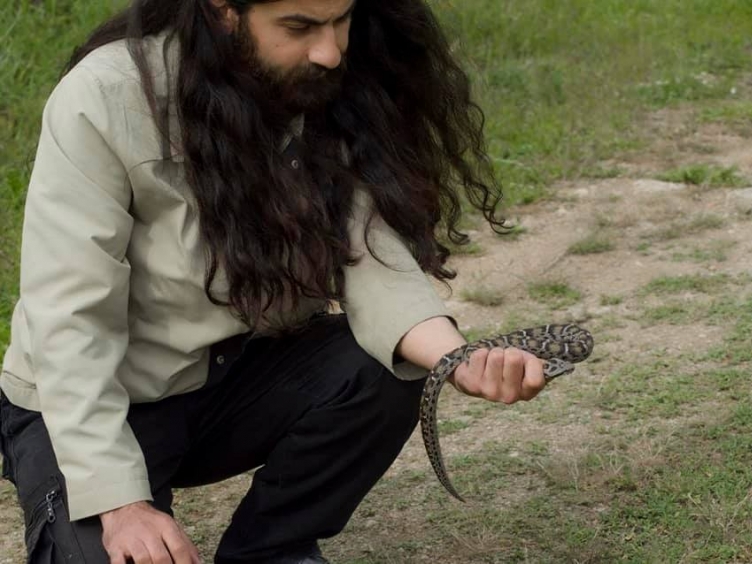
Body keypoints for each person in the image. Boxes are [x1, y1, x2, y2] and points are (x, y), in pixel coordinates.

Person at [0, 1, 550, 562]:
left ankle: (272, 550)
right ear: (224, 11)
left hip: (230, 385)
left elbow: (373, 262)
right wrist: (121, 506)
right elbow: (70, 320)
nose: (330, 51)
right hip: (90, 406)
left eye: (342, 19)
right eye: (300, 26)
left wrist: (460, 361)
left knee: (379, 367)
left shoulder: (326, 87)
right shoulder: (104, 95)